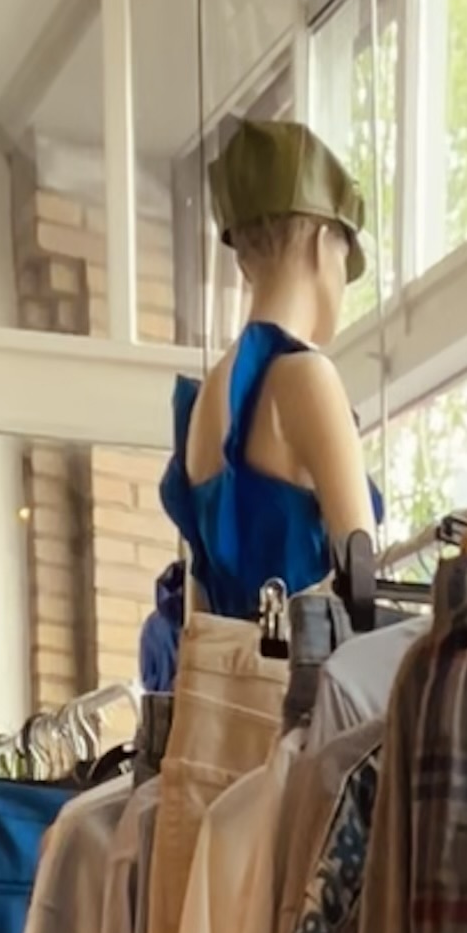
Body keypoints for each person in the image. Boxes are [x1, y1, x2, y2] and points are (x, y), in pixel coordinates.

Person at [161, 116, 381, 628]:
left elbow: (199, 623)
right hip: (310, 676)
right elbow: (363, 587)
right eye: (344, 260)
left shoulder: (204, 403)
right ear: (322, 244)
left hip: (231, 679)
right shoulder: (305, 378)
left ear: (244, 263)